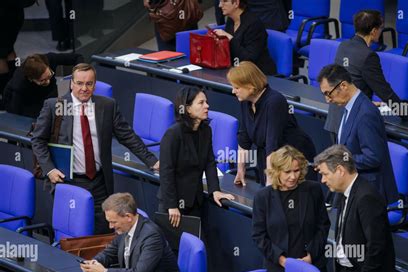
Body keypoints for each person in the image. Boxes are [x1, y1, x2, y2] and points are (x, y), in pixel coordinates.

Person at [31, 63, 160, 234]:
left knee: (104, 233)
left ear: (95, 84)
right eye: (79, 83)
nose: (84, 88)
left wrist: (152, 160)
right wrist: (50, 169)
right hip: (69, 182)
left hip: (100, 182)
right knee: (75, 236)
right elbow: (38, 140)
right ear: (71, 83)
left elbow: (127, 136)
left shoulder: (107, 106)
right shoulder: (55, 106)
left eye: (89, 84)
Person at [325, 10, 408, 141]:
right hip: (352, 125)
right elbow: (384, 90)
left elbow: (350, 80)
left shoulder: (343, 46)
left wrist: (366, 99)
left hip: (335, 119)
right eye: (381, 28)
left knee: (338, 160)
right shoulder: (368, 56)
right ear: (374, 31)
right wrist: (407, 113)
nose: (381, 31)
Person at [252, 145, 330, 272]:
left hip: (311, 268)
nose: (293, 176)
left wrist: (311, 256)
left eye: (296, 170)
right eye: (287, 172)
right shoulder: (263, 197)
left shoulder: (313, 190)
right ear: (277, 171)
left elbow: (323, 226)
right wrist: (282, 260)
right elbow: (258, 236)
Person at [314, 145, 397, 272]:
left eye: (325, 174)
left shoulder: (366, 197)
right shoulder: (343, 192)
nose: (322, 180)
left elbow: (377, 244)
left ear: (340, 170)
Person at [318, 64, 398, 205]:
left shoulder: (366, 113)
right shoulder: (348, 107)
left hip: (369, 193)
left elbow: (373, 157)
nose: (327, 100)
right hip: (354, 189)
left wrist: (340, 162)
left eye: (328, 93)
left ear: (343, 86)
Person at [227, 61, 316, 186]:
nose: (233, 91)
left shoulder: (274, 101)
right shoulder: (245, 100)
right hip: (269, 158)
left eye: (236, 88)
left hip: (292, 158)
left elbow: (272, 144)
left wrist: (270, 182)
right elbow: (244, 139)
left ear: (251, 87)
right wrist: (241, 170)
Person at [80, 193, 185, 272]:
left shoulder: (151, 236)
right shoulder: (124, 228)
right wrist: (94, 263)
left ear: (128, 217)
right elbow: (109, 253)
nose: (110, 226)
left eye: (113, 222)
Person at [158, 86, 235, 228]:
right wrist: (172, 206)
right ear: (187, 109)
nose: (207, 106)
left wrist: (215, 190)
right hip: (174, 205)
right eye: (201, 103)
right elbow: (166, 172)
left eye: (206, 102)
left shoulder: (206, 130)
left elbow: (210, 162)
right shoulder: (173, 134)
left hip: (195, 201)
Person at [4, 53, 84, 118]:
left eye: (49, 76)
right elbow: (16, 113)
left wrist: (79, 73)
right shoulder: (19, 85)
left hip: (47, 91)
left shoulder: (50, 59)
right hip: (25, 101)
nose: (48, 81)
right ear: (32, 79)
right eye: (42, 80)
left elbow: (77, 57)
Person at [213, 0, 277, 75]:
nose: (220, 5)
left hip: (257, 74)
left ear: (236, 3)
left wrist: (230, 38)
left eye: (225, 1)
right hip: (238, 71)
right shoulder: (231, 20)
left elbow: (248, 59)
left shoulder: (254, 24)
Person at [0, 1, 24, 110]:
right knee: (8, 51)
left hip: (3, 13)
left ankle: (6, 99)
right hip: (15, 12)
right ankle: (15, 95)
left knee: (1, 56)